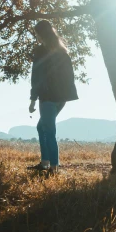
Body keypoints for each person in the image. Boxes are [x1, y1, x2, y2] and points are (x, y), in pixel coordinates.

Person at [29, 20, 78, 173]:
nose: (37, 37)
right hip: (61, 98)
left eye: (37, 34)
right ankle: (45, 163)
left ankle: (53, 167)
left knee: (49, 131)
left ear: (41, 34)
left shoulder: (40, 51)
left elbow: (36, 77)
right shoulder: (62, 51)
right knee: (41, 127)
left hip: (47, 97)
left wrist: (33, 100)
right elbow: (70, 77)